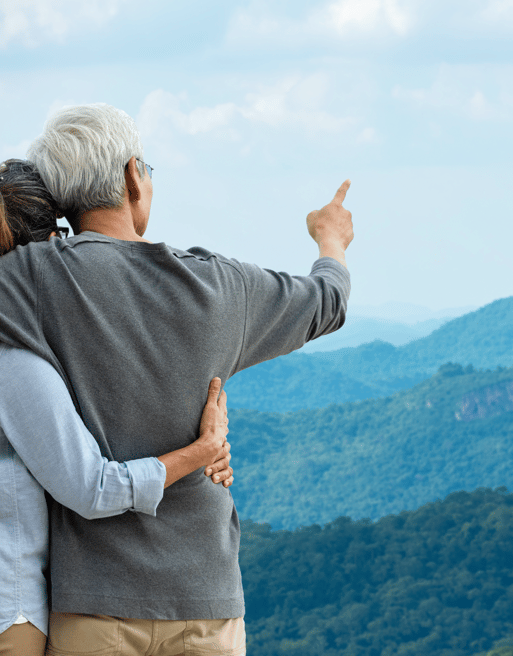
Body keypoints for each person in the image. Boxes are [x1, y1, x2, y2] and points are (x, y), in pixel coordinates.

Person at [0, 103, 353, 655]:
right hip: (205, 602)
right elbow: (327, 303)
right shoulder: (223, 288)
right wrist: (330, 241)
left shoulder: (28, 280)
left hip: (93, 606)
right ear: (131, 177)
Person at [0, 158, 235, 656]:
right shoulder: (13, 359)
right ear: (45, 249)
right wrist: (201, 450)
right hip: (12, 610)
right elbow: (92, 485)